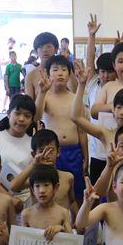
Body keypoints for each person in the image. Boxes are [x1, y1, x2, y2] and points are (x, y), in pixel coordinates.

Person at [71, 62, 123, 169]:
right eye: (118, 107)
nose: (122, 112)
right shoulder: (105, 134)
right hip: (111, 178)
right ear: (113, 110)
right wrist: (81, 85)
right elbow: (76, 117)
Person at [35, 55, 88, 201]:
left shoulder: (75, 98)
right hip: (51, 152)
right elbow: (36, 116)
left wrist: (86, 156)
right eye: (55, 70)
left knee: (76, 191)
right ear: (48, 74)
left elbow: (81, 130)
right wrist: (42, 92)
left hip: (74, 151)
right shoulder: (46, 97)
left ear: (69, 74)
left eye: (64, 70)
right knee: (53, 190)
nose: (60, 73)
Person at [21, 164, 75, 245]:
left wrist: (61, 229)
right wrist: (6, 237)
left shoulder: (62, 212)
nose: (42, 190)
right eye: (37, 186)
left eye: (46, 185)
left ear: (56, 187)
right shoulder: (27, 214)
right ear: (32, 189)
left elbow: (72, 243)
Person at [9, 129, 78, 224]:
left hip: (61, 228)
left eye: (50, 150)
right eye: (41, 151)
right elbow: (14, 186)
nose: (46, 155)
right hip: (38, 227)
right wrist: (34, 163)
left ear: (58, 152)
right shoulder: (34, 179)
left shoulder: (68, 177)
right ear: (34, 154)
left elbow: (72, 201)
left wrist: (76, 222)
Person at [0, 94, 36, 207]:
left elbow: (34, 177)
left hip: (25, 197)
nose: (21, 119)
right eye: (17, 113)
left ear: (32, 119)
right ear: (8, 114)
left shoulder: (33, 143)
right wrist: (9, 199)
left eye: (27, 116)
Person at [85, 15, 118, 183]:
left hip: (117, 147)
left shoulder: (120, 87)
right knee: (97, 188)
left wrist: (119, 48)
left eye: (109, 72)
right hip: (96, 150)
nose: (105, 76)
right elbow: (90, 60)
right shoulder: (93, 84)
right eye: (102, 72)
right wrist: (91, 35)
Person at [25, 32, 77, 99]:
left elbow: (75, 92)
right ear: (36, 51)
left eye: (48, 46)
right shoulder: (30, 76)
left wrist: (66, 64)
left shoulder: (63, 72)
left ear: (56, 49)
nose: (44, 50)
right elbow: (28, 103)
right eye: (40, 47)